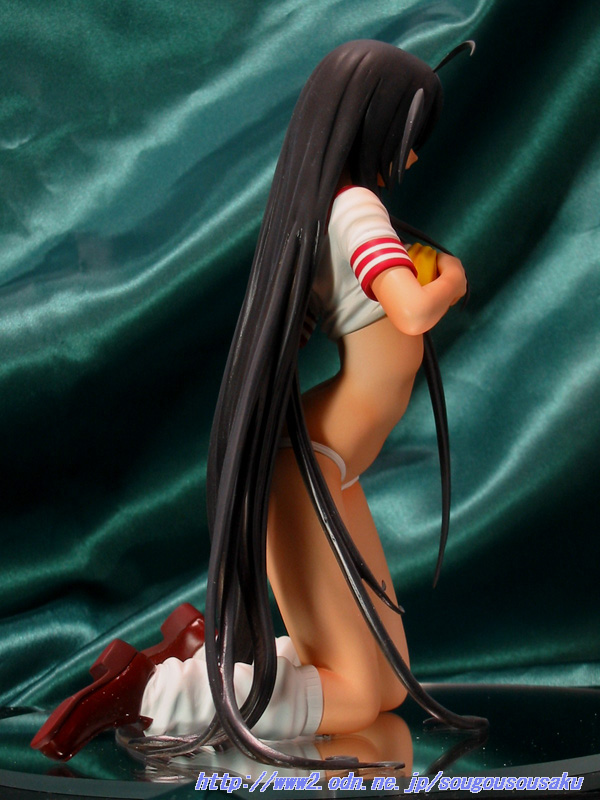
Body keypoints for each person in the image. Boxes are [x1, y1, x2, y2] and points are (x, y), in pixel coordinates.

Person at [32, 39, 484, 768]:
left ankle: (201, 652)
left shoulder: (325, 212)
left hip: (328, 469)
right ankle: (155, 692)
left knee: (385, 683)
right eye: (407, 138)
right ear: (372, 126)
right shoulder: (356, 210)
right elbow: (410, 311)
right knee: (356, 697)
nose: (411, 158)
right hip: (311, 470)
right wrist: (452, 277)